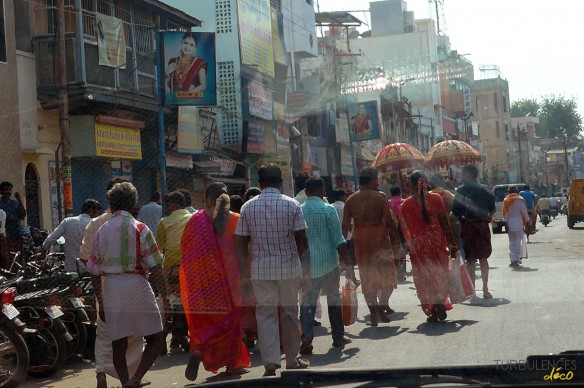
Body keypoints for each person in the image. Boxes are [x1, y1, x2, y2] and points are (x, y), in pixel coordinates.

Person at [88, 182, 168, 388]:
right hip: (138, 285)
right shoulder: (140, 228)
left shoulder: (102, 231)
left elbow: (94, 272)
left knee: (118, 343)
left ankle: (125, 383)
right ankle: (135, 379)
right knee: (155, 338)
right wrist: (165, 298)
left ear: (111, 205)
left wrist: (101, 302)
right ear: (134, 204)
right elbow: (156, 266)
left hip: (112, 288)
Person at [235, 164, 310, 376]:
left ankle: (270, 362)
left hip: (260, 270)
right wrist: (306, 272)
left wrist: (244, 275)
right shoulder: (293, 205)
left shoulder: (247, 207)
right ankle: (292, 360)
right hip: (289, 268)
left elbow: (240, 243)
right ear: (280, 182)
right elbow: (302, 241)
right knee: (289, 313)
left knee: (265, 314)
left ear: (260, 183)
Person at [180, 183, 251, 381]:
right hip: (231, 280)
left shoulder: (195, 220)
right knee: (231, 324)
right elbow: (244, 250)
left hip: (203, 284)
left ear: (207, 200)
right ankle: (232, 364)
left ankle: (198, 350)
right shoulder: (235, 220)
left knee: (206, 322)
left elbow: (185, 251)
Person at [80, 177, 144, 388]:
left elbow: (85, 258)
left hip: (104, 285)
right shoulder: (136, 225)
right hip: (132, 285)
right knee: (133, 333)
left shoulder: (95, 223)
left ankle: (101, 373)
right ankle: (132, 378)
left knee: (104, 332)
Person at [342, 167, 405, 326]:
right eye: (376, 179)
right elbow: (390, 223)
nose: (377, 182)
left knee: (367, 276)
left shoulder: (351, 200)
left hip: (361, 240)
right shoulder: (380, 197)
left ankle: (373, 313)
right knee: (388, 274)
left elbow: (344, 227)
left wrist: (345, 249)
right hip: (379, 238)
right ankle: (383, 303)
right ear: (371, 180)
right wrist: (397, 245)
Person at [299, 177, 351, 355]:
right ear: (322, 190)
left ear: (306, 192)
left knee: (308, 303)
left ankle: (306, 337)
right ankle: (338, 336)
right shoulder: (328, 210)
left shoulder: (299, 210)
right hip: (329, 263)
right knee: (333, 300)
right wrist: (347, 262)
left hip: (308, 266)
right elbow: (339, 239)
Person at [399, 171, 455, 322]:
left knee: (424, 277)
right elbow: (444, 222)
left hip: (419, 247)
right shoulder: (437, 199)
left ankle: (433, 309)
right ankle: (440, 300)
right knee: (440, 273)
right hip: (437, 243)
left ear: (411, 185)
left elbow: (403, 229)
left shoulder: (405, 205)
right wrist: (452, 242)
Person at [451, 164, 495, 299]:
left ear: (467, 175)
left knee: (470, 260)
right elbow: (492, 209)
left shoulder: (461, 191)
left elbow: (455, 212)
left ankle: (472, 290)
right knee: (483, 258)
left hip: (468, 226)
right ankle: (486, 289)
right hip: (482, 226)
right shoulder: (485, 189)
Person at [155, 191, 191, 352]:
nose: (166, 208)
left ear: (175, 205)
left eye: (168, 205)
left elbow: (158, 247)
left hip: (169, 269)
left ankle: (162, 338)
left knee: (164, 301)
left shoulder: (165, 222)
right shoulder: (193, 219)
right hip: (189, 268)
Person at [42, 199, 102, 273]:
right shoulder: (96, 224)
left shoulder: (67, 221)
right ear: (91, 211)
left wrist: (43, 250)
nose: (98, 216)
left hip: (70, 268)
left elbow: (51, 239)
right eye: (97, 213)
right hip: (90, 269)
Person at [503, 186, 529, 268]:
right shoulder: (520, 199)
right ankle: (517, 258)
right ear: (517, 191)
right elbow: (524, 211)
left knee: (512, 242)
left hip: (510, 223)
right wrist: (527, 221)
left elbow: (505, 214)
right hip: (518, 222)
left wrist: (505, 223)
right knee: (518, 241)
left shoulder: (506, 200)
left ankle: (512, 260)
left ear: (508, 192)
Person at [0, 181, 26, 255]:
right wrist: (15, 218)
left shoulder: (15, 203)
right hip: (5, 236)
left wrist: (19, 199)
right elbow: (7, 217)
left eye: (9, 190)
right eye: (5, 190)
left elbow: (23, 214)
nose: (7, 192)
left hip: (17, 235)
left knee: (19, 257)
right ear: (1, 191)